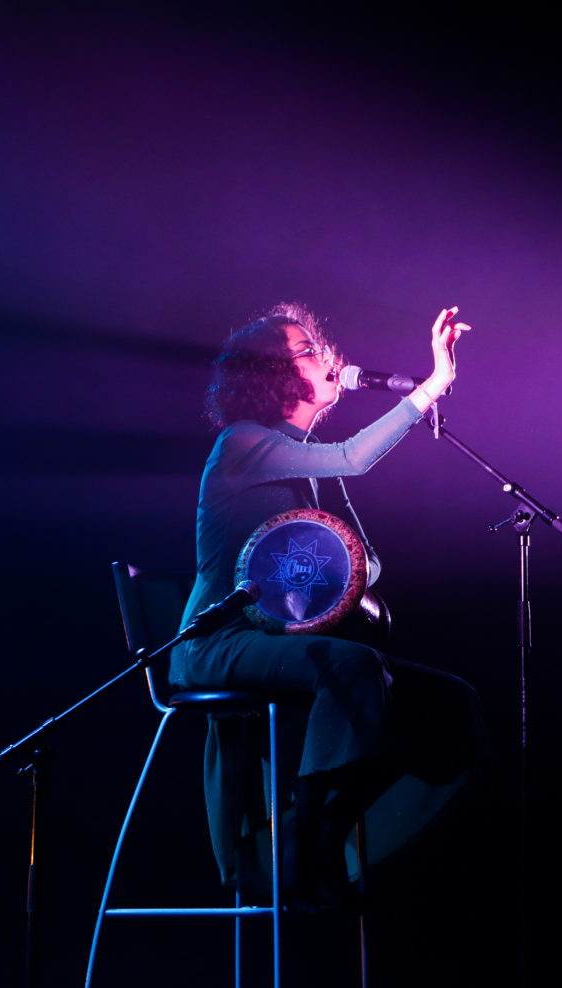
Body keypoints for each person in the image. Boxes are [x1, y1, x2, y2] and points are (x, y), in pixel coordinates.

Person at [170, 302, 489, 907]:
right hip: (221, 643)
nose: (328, 357)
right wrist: (433, 386)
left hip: (282, 644)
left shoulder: (307, 463)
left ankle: (334, 842)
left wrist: (350, 573)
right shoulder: (242, 443)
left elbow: (364, 560)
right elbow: (356, 457)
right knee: (352, 667)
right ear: (271, 373)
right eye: (307, 350)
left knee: (451, 704)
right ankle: (309, 850)